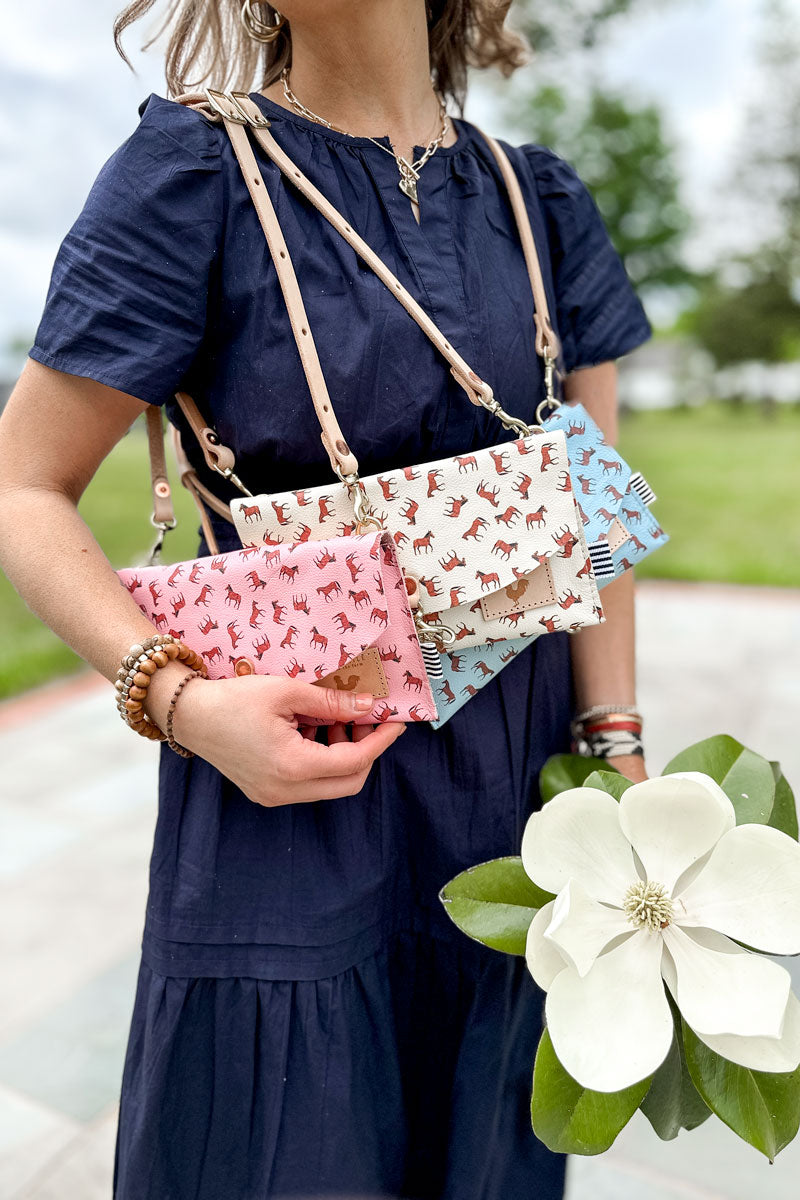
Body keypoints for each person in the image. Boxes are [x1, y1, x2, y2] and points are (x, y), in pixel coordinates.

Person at [0, 1, 653, 1196]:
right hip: (288, 788)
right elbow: (23, 486)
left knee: (487, 1140)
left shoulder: (536, 198)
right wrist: (179, 703)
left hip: (513, 799)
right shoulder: (190, 171)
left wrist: (612, 749)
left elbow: (590, 519)